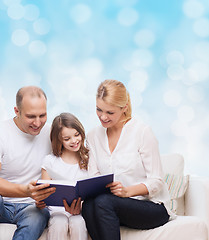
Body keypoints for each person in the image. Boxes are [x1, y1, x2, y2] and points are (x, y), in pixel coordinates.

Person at [82, 80, 173, 240]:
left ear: (124, 108)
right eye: (99, 110)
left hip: (151, 206)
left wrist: (127, 192)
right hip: (112, 206)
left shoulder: (142, 132)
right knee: (89, 205)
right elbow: (94, 176)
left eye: (110, 112)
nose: (103, 117)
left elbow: (157, 181)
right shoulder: (93, 136)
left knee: (103, 202)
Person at [0, 86, 56, 240]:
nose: (37, 123)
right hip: (1, 204)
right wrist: (26, 190)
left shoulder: (52, 134)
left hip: (33, 207)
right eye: (31, 116)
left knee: (40, 213)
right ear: (17, 111)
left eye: (42, 115)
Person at [37, 112, 89, 240]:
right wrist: (39, 202)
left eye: (77, 135)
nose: (74, 141)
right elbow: (43, 192)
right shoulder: (50, 161)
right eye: (67, 139)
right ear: (59, 140)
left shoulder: (89, 159)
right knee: (59, 222)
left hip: (80, 211)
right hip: (56, 212)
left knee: (78, 223)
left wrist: (80, 207)